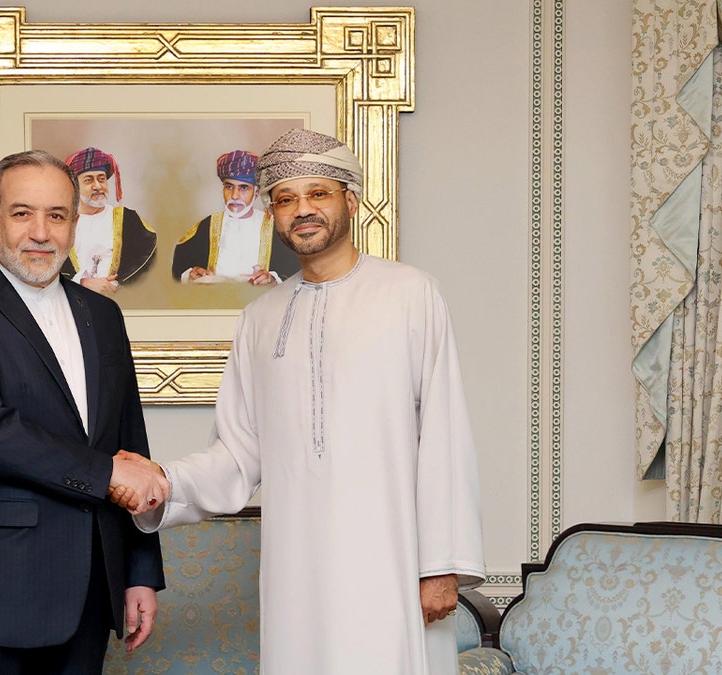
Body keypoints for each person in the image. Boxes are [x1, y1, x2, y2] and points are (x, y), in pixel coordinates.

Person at [112, 129, 485, 674]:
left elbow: (445, 434)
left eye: (318, 194)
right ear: (273, 215)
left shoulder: (410, 294)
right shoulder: (259, 319)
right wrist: (164, 481)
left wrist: (441, 564)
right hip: (297, 572)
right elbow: (237, 453)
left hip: (394, 562)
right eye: (286, 199)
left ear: (350, 202)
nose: (302, 209)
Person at [0, 149, 169, 674]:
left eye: (56, 215)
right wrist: (107, 473)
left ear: (74, 224)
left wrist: (140, 572)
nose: (40, 232)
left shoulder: (104, 315)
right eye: (22, 213)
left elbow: (130, 443)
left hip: (93, 582)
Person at [171, 150, 299, 285]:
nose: (235, 196)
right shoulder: (207, 225)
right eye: (229, 187)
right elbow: (180, 267)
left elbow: (294, 270)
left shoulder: (274, 227)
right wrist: (191, 274)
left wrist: (272, 278)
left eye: (243, 188)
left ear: (256, 192)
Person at [60, 147, 158, 295]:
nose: (98, 186)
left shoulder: (128, 219)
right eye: (88, 180)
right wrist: (81, 282)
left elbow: (149, 259)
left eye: (102, 179)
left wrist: (116, 286)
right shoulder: (60, 223)